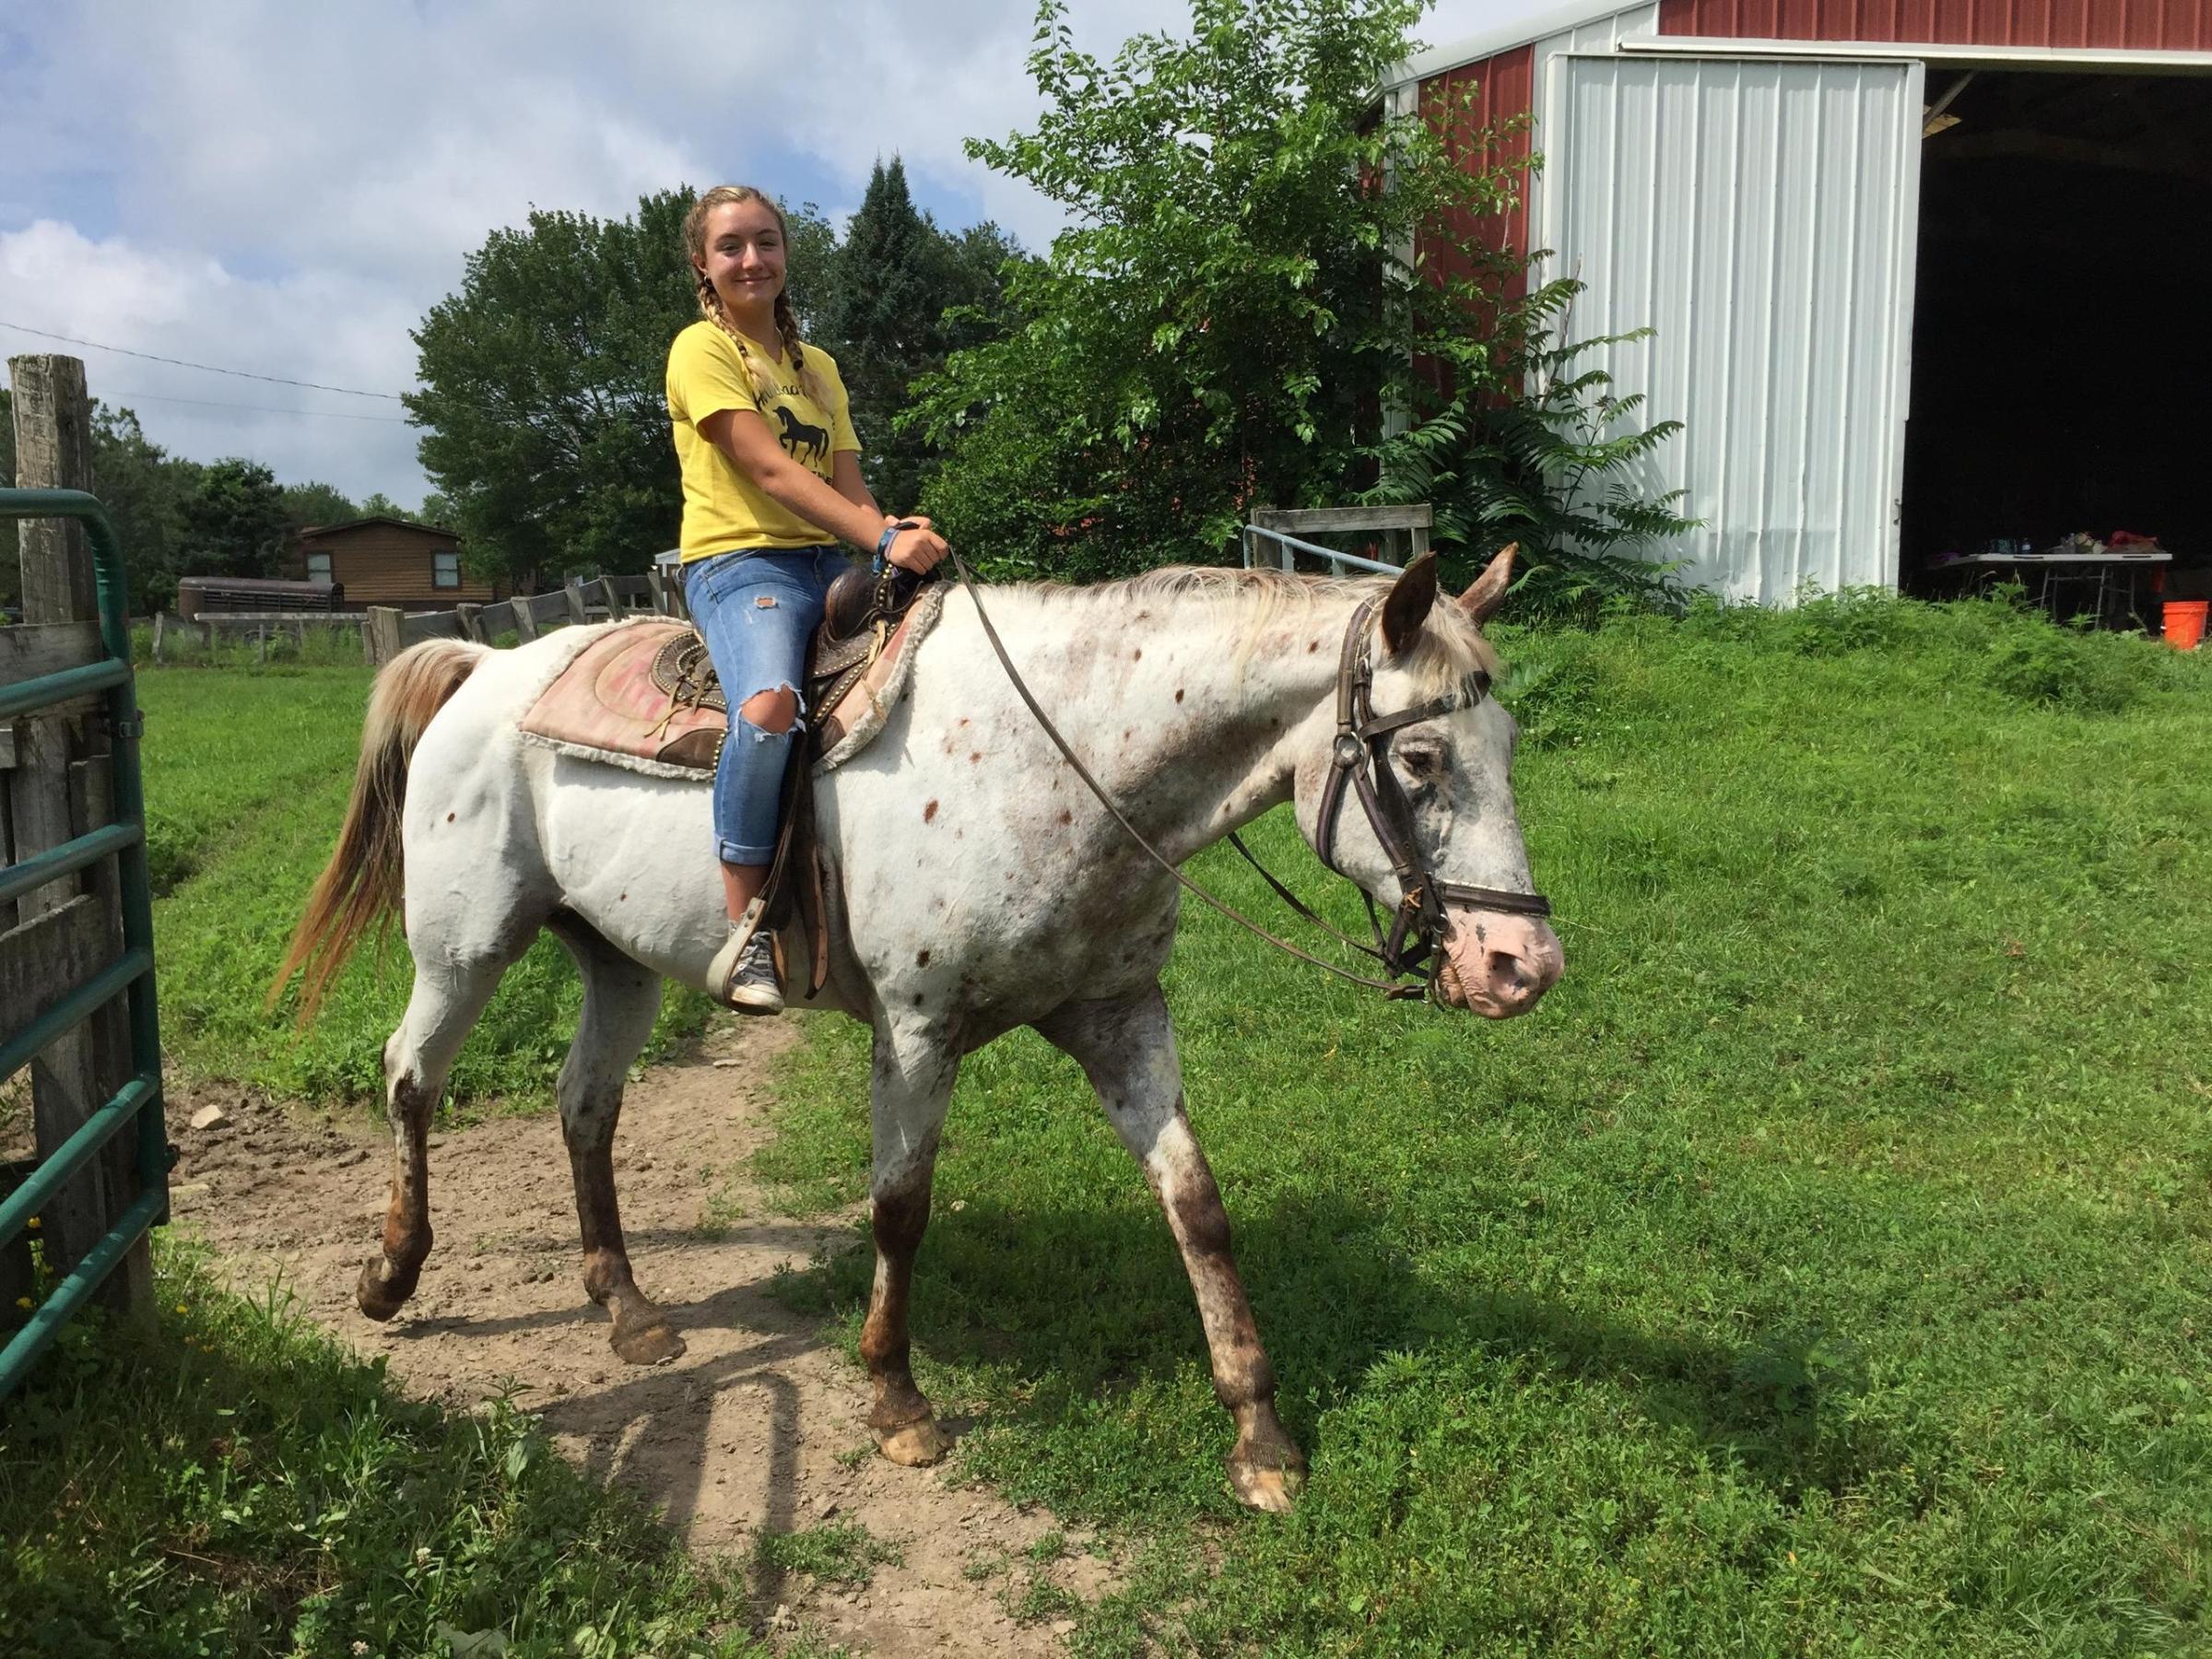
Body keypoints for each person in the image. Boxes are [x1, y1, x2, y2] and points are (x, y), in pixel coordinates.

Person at [668, 183, 948, 1013]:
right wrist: (881, 541)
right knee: (766, 708)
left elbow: (846, 486)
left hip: (827, 556)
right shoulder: (701, 350)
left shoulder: (816, 368)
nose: (751, 259)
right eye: (731, 247)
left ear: (786, 254)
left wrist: (893, 532)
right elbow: (768, 470)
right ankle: (746, 923)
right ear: (704, 265)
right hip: (740, 563)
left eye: (766, 242)